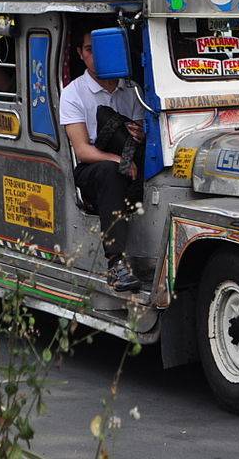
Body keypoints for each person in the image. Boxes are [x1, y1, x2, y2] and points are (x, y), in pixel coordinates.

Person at [60, 27, 145, 292]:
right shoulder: (73, 92)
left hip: (128, 160)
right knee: (109, 171)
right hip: (93, 170)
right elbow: (83, 150)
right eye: (89, 50)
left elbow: (142, 134)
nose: (97, 56)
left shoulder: (131, 90)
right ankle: (116, 264)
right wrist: (118, 160)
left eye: (102, 49)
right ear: (80, 54)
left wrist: (138, 134)